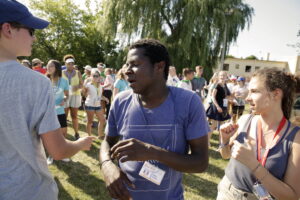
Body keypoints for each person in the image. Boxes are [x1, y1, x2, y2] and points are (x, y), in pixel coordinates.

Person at [0, 1, 94, 200]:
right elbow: (58, 151)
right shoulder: (36, 82)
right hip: (27, 190)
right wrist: (81, 143)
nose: (34, 38)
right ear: (8, 29)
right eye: (31, 30)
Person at [100, 39, 209, 200]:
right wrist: (107, 165)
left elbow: (200, 162)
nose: (127, 71)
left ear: (159, 66)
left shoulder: (188, 102)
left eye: (135, 64)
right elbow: (108, 141)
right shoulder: (121, 101)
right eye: (127, 65)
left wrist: (152, 153)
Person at [217, 68, 300, 200]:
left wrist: (254, 164)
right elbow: (226, 155)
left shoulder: (296, 139)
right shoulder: (245, 120)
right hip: (228, 193)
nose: (247, 98)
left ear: (276, 94)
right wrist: (224, 140)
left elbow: (293, 196)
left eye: (254, 91)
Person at [46, 59, 71, 164]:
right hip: (48, 111)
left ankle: (62, 153)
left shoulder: (64, 81)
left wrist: (64, 99)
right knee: (50, 134)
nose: (48, 68)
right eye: (47, 66)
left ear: (56, 68)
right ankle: (51, 155)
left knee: (63, 132)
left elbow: (67, 94)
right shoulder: (44, 79)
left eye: (51, 66)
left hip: (60, 110)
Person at [62, 55, 83, 140]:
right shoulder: (61, 72)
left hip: (75, 95)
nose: (70, 65)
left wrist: (77, 87)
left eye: (72, 63)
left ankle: (76, 133)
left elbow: (82, 84)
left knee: (74, 115)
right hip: (64, 96)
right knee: (64, 116)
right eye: (68, 64)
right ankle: (63, 135)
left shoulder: (78, 72)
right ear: (65, 64)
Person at [82, 68, 106, 139]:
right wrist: (84, 90)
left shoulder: (101, 86)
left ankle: (100, 135)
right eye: (94, 76)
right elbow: (83, 93)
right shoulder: (88, 85)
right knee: (90, 122)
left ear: (99, 76)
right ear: (91, 76)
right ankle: (89, 136)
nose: (96, 77)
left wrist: (105, 98)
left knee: (102, 120)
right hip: (90, 105)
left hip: (98, 105)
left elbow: (100, 95)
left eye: (97, 76)